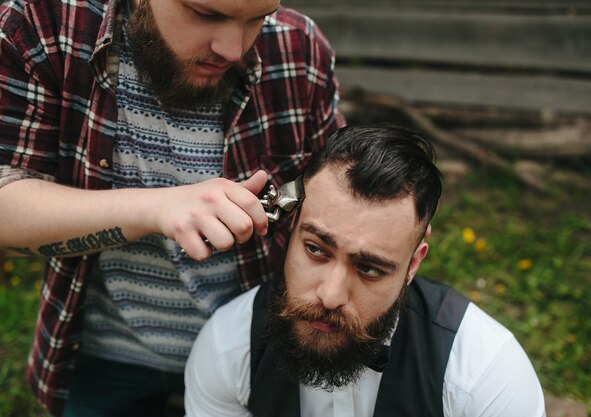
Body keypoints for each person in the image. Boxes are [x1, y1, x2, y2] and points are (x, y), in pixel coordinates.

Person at [0, 0, 344, 415]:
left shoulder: (299, 47)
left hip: (252, 353)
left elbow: (338, 183)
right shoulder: (43, 23)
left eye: (257, 19)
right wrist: (157, 208)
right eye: (207, 14)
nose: (234, 49)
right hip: (101, 353)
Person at [185, 125, 546, 417]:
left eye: (370, 268)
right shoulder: (228, 349)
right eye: (315, 250)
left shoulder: (484, 375)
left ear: (413, 264)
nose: (331, 294)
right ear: (292, 228)